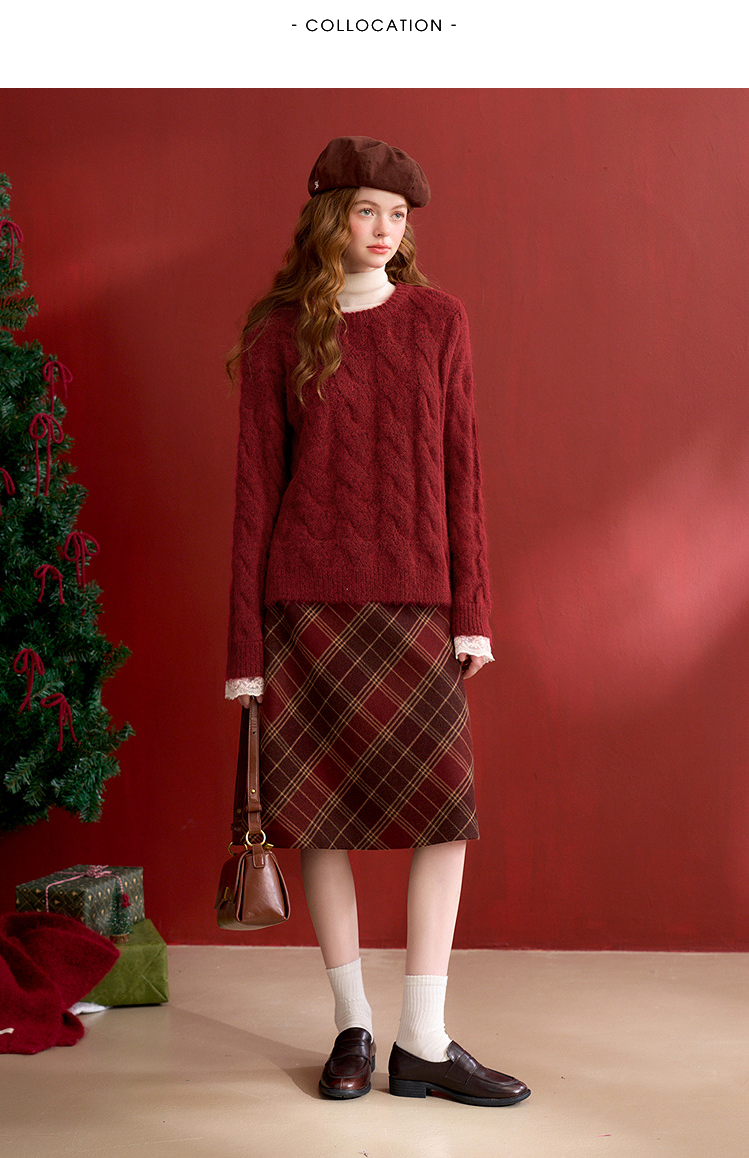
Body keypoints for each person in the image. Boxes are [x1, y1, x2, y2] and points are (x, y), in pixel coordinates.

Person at [225, 135, 530, 1108]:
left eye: (398, 216)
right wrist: (244, 651)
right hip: (305, 612)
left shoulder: (440, 321)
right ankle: (353, 1027)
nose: (384, 229)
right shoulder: (279, 331)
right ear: (328, 217)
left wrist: (473, 614)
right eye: (366, 211)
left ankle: (423, 1039)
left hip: (418, 605)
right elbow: (254, 494)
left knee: (445, 814)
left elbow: (463, 471)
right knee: (320, 820)